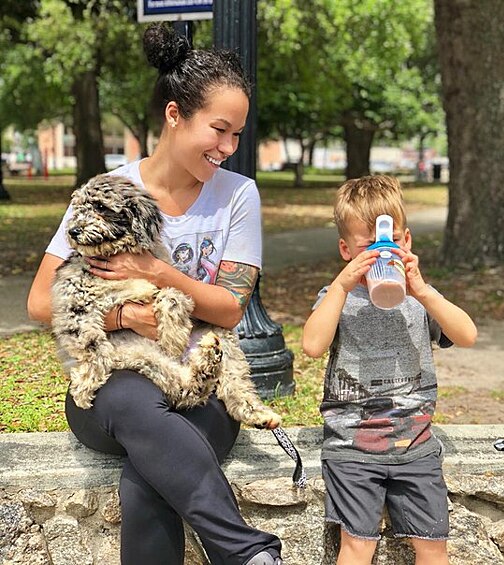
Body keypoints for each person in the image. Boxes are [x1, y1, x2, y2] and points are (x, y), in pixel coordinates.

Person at [27, 23, 283, 565]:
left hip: (203, 383)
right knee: (129, 401)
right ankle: (247, 553)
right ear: (174, 114)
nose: (228, 148)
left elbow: (232, 309)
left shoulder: (239, 195)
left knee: (147, 482)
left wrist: (160, 273)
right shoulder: (106, 194)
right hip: (113, 391)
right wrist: (123, 315)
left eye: (237, 134)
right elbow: (39, 302)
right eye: (218, 130)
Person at [302, 175, 477, 565]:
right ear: (346, 250)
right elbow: (312, 346)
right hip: (352, 449)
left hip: (416, 447)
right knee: (358, 544)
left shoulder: (418, 300)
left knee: (433, 545)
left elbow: (466, 335)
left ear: (407, 241)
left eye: (392, 241)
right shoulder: (337, 299)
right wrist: (341, 287)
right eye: (368, 246)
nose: (383, 252)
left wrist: (424, 291)